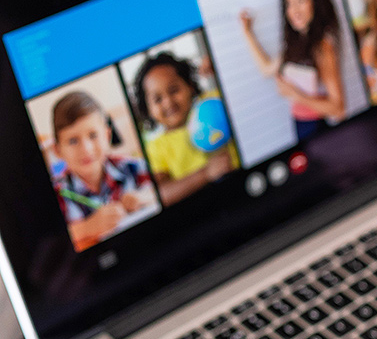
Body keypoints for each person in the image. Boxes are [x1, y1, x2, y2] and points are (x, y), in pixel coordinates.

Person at [239, 0, 347, 141]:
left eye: (301, 0)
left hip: (317, 126)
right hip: (299, 124)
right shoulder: (295, 44)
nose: (294, 10)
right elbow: (267, 69)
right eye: (289, 3)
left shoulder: (322, 47)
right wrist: (247, 32)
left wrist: (295, 94)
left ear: (315, 2)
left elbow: (338, 108)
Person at [49, 91, 156, 248]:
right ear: (58, 150)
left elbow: (161, 189)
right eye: (73, 141)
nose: (86, 149)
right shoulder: (58, 193)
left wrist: (144, 197)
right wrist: (88, 227)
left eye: (93, 135)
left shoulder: (133, 167)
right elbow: (52, 243)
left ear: (107, 136)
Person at [132, 52, 237, 205]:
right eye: (158, 99)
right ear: (148, 109)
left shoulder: (212, 101)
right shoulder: (156, 148)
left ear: (190, 86)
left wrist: (220, 66)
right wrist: (206, 173)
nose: (168, 102)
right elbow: (160, 194)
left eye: (174, 90)